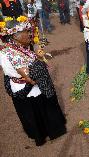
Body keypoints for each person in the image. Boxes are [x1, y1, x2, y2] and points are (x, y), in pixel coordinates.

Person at [0, 17, 66, 146]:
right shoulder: (5, 53)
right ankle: (39, 133)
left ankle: (51, 128)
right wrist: (36, 69)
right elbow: (20, 73)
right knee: (33, 112)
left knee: (44, 106)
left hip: (36, 83)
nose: (29, 34)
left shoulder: (22, 47)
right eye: (26, 31)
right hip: (25, 87)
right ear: (15, 36)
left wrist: (38, 59)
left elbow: (31, 62)